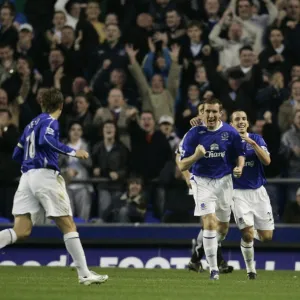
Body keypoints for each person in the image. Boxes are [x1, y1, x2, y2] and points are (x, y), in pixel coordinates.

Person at [0, 88, 108, 285]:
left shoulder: (30, 125)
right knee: (68, 224)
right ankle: (84, 274)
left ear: (42, 104)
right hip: (45, 176)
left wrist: (30, 161)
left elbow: (17, 154)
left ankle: (84, 273)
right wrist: (73, 152)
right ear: (61, 105)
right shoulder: (50, 121)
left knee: (21, 230)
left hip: (26, 178)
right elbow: (46, 140)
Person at [177, 98, 245, 280]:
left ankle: (202, 251)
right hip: (202, 182)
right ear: (203, 113)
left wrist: (240, 167)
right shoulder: (193, 134)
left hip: (224, 182)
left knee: (222, 229)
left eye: (214, 112)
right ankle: (214, 269)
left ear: (220, 113)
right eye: (207, 111)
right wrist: (196, 156)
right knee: (209, 222)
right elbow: (182, 165)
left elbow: (240, 154)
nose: (211, 115)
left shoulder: (230, 133)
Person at [230, 110, 274, 279]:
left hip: (258, 192)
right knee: (248, 234)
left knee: (267, 237)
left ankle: (249, 228)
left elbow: (267, 161)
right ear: (232, 124)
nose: (241, 122)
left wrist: (252, 144)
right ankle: (251, 270)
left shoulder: (256, 139)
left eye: (243, 119)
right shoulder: (228, 143)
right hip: (238, 193)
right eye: (237, 119)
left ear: (247, 123)